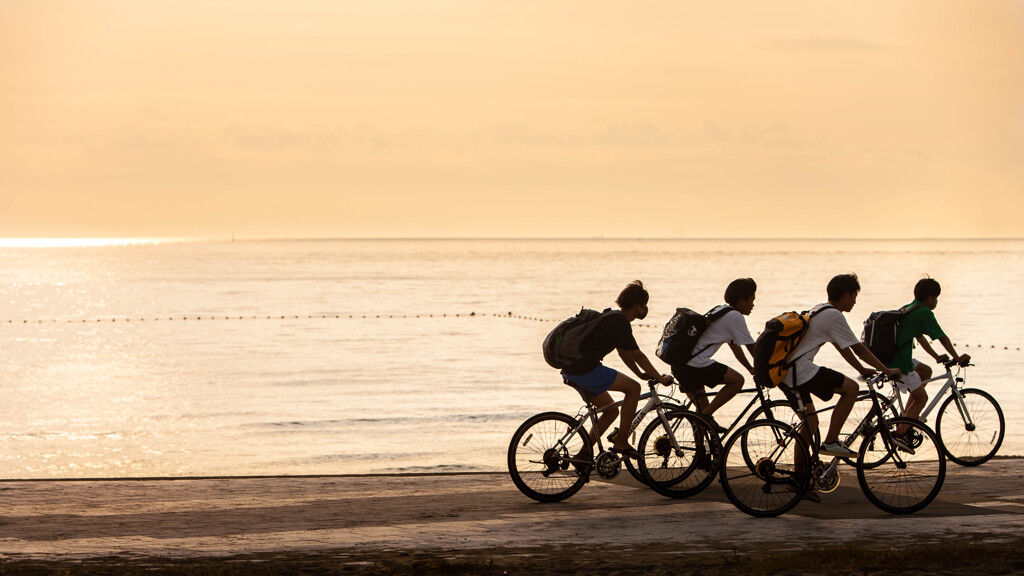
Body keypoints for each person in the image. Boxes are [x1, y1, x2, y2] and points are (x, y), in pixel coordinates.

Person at [780, 274, 901, 500]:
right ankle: (832, 441)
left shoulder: (820, 309)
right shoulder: (834, 315)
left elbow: (841, 346)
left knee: (810, 423)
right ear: (846, 295)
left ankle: (799, 481)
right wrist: (886, 370)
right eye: (854, 296)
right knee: (852, 389)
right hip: (800, 371)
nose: (854, 301)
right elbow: (859, 348)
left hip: (788, 371)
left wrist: (862, 369)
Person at [561, 280, 673, 460]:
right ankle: (621, 441)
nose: (645, 308)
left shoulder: (612, 317)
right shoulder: (620, 322)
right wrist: (659, 378)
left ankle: (583, 456)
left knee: (611, 411)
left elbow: (624, 353)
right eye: (644, 305)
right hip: (586, 370)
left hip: (572, 369)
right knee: (634, 389)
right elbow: (637, 354)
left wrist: (640, 374)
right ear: (637, 305)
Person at [672, 278, 757, 435]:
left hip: (681, 365)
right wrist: (767, 368)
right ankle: (705, 417)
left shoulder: (721, 310)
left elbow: (735, 346)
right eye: (751, 300)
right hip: (695, 365)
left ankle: (701, 455)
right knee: (738, 381)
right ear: (742, 300)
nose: (753, 305)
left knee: (702, 412)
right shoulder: (735, 317)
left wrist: (751, 368)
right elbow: (752, 348)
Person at [888, 278, 971, 438]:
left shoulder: (909, 308)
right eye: (936, 297)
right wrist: (957, 358)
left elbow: (920, 338)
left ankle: (908, 420)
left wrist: (936, 356)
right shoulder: (924, 312)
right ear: (931, 298)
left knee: (925, 371)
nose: (937, 301)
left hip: (890, 357)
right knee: (922, 398)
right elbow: (942, 337)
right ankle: (901, 435)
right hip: (900, 362)